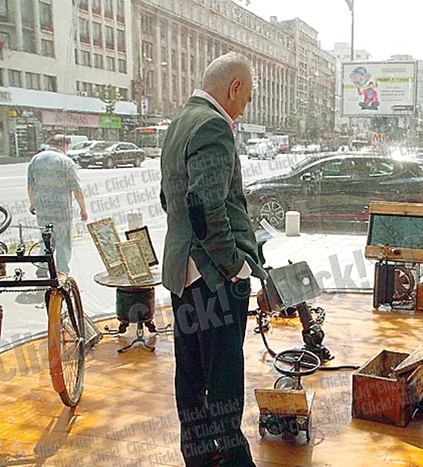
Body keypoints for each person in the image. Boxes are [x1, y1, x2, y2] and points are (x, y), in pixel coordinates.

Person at [159, 52, 266, 467]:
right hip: (214, 278)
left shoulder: (179, 123)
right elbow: (206, 208)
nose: (246, 105)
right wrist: (235, 266)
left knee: (190, 376)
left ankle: (199, 458)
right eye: (248, 96)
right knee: (223, 378)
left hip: (182, 273)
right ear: (234, 87)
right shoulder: (214, 124)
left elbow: (170, 198)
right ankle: (235, 461)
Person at [27, 135, 88, 276]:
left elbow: (31, 185)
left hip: (42, 211)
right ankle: (62, 272)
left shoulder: (35, 159)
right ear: (63, 145)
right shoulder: (66, 162)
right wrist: (83, 209)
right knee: (63, 242)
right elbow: (77, 188)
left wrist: (32, 203)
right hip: (62, 212)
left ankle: (42, 266)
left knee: (45, 239)